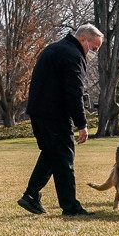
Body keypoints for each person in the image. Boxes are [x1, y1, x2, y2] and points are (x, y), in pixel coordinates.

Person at [18, 23, 103, 217]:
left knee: (51, 154)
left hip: (39, 111)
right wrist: (82, 124)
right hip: (54, 114)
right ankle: (70, 207)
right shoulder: (73, 56)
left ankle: (31, 195)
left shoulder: (54, 48)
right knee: (64, 158)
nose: (93, 53)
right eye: (94, 48)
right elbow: (74, 93)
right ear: (83, 40)